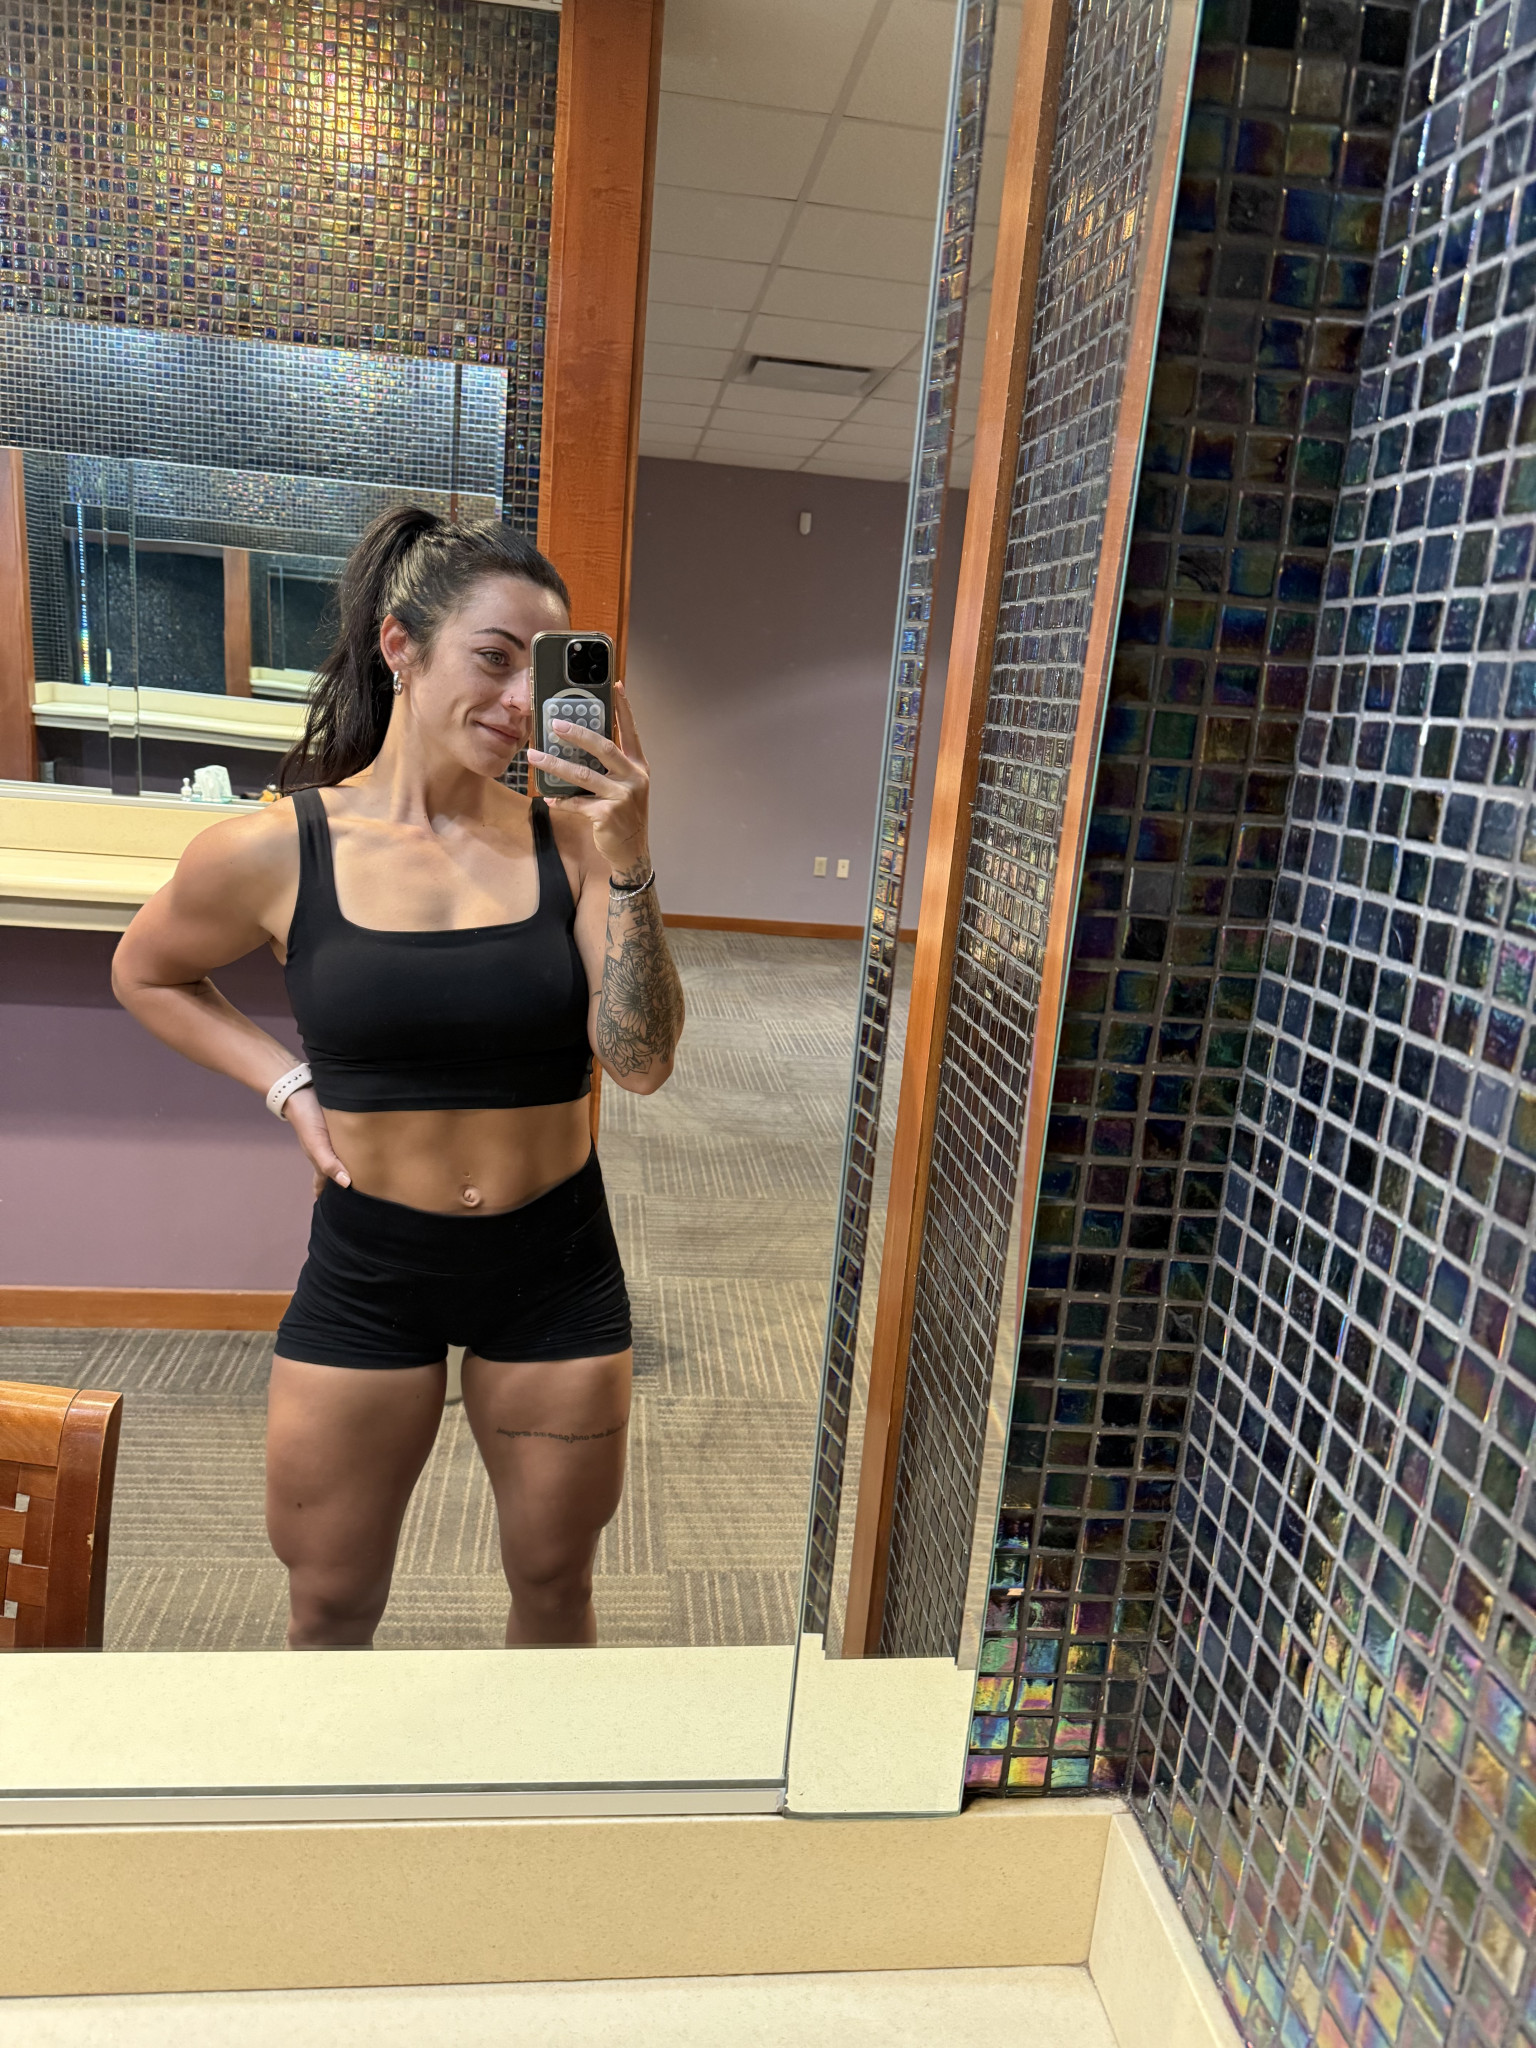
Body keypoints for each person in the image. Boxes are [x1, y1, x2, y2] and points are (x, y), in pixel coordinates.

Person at [112, 507, 685, 1649]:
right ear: (400, 648)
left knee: (556, 1589)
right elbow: (148, 972)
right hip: (371, 1267)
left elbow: (642, 1061)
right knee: (329, 1605)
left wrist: (630, 864)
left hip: (555, 1264)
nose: (519, 699)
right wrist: (288, 1087)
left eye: (543, 670)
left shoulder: (571, 844)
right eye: (493, 657)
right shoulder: (275, 848)